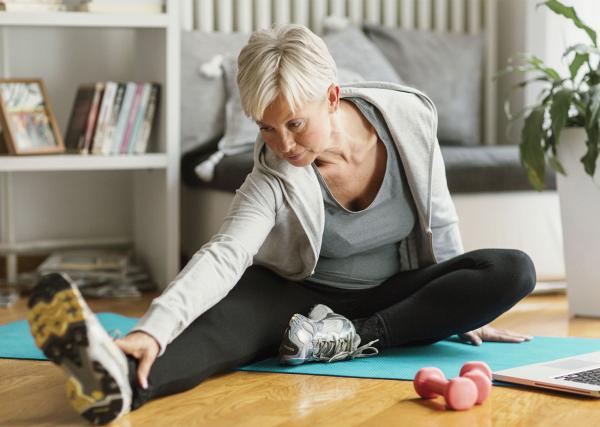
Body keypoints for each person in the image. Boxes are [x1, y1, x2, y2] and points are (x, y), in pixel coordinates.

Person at [27, 24, 536, 425]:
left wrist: (461, 310)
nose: (283, 143)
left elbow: (439, 214)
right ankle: (117, 378)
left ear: (332, 97)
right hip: (297, 295)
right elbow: (224, 252)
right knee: (212, 332)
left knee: (512, 270)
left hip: (393, 292)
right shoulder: (272, 173)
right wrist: (151, 331)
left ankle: (352, 338)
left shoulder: (408, 117)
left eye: (294, 123)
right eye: (266, 126)